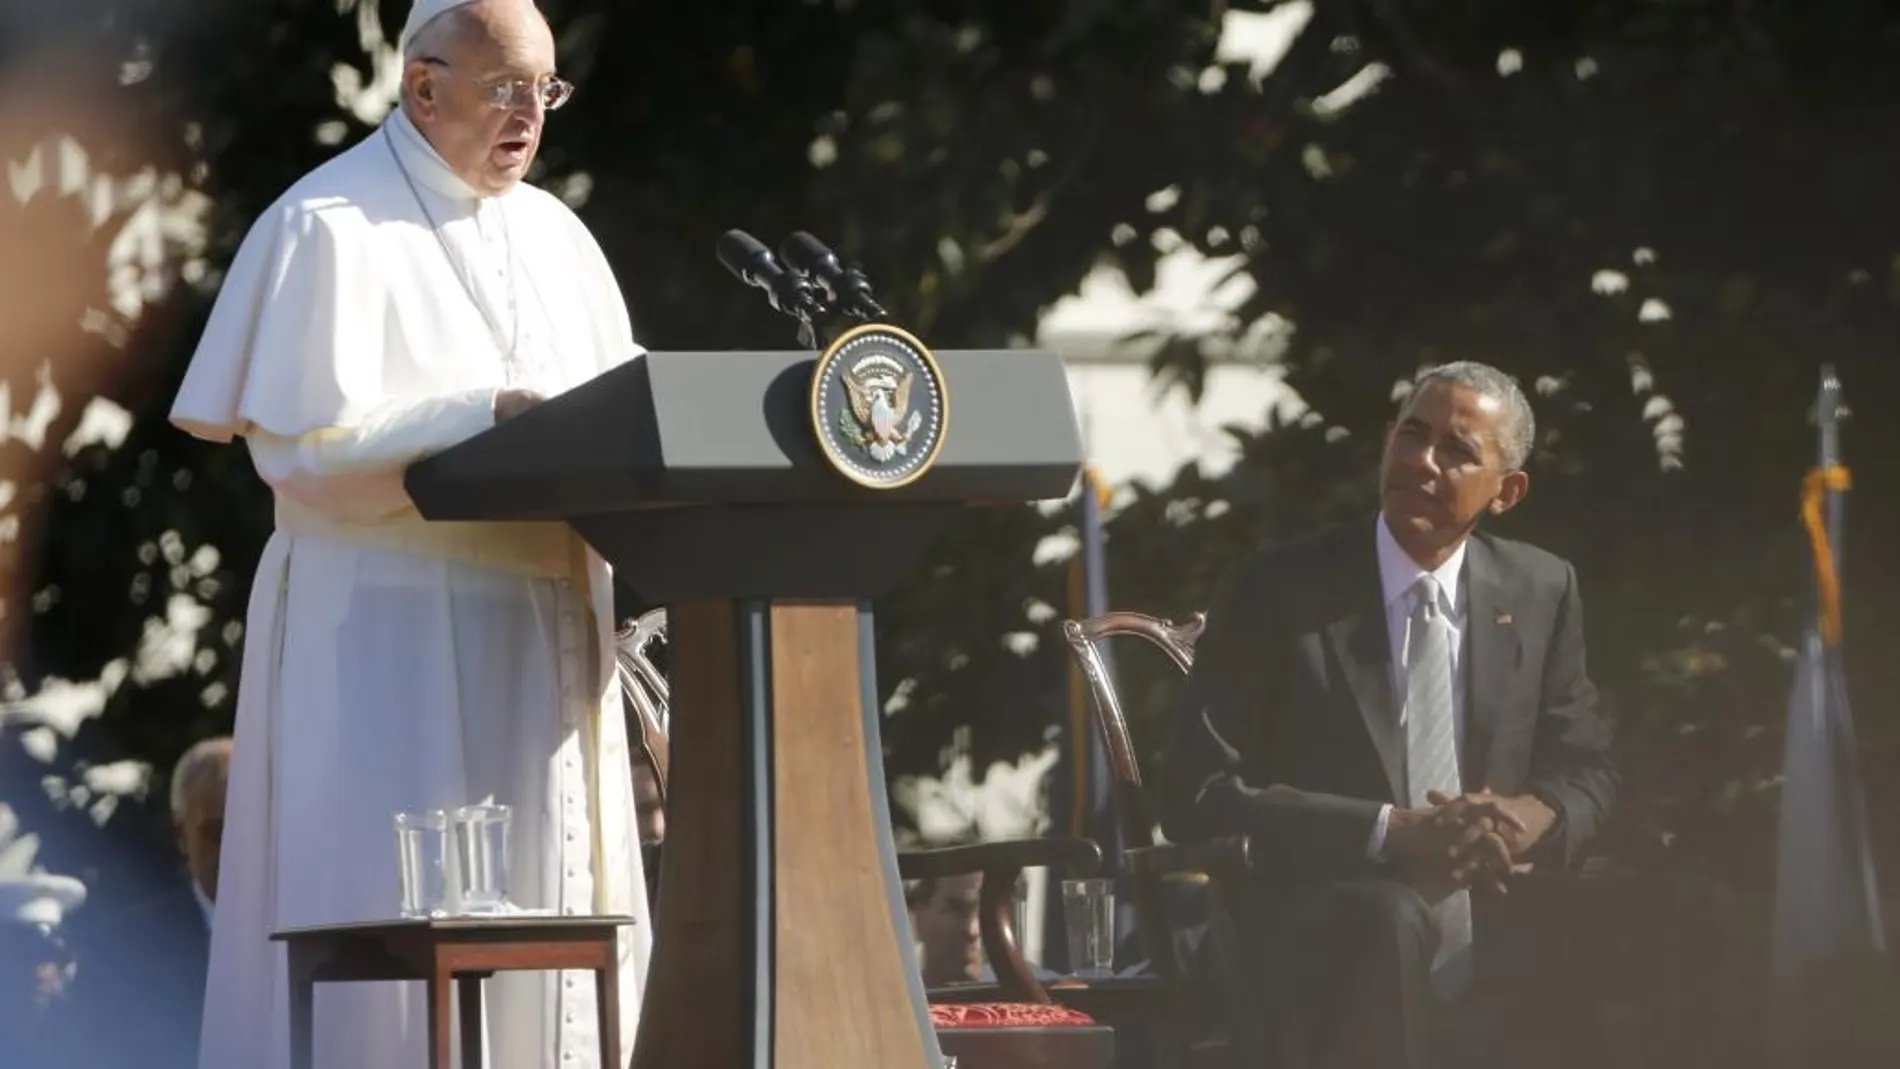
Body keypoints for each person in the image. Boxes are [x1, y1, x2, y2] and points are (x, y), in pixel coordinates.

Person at [166, 0, 651, 1065]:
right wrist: (481, 415)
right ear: (422, 87)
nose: (529, 115)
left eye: (544, 91)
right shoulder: (325, 224)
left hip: (550, 634)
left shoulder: (562, 239)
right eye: (504, 89)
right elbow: (297, 454)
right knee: (393, 949)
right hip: (386, 637)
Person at [1161, 361, 1617, 1068]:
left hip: (1493, 905)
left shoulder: (1541, 587)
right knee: (1390, 917)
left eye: (1457, 451)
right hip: (1317, 916)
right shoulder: (1278, 589)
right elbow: (1197, 795)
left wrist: (1528, 817)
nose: (1421, 462)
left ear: (1507, 490)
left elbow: (1589, 768)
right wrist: (1394, 831)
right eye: (1411, 435)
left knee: (1665, 906)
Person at [57, 737, 230, 1068]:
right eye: (218, 833)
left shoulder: (311, 944)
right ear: (182, 836)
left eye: (253, 831)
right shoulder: (122, 953)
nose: (237, 849)